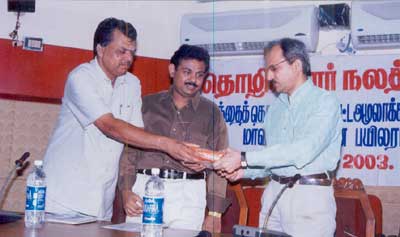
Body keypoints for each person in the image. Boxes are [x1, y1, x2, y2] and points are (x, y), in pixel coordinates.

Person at [43, 18, 201, 220]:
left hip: (101, 203)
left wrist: (182, 154)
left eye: (132, 53)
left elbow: (135, 138)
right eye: (121, 51)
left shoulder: (132, 83)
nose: (128, 58)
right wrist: (168, 145)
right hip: (63, 200)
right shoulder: (81, 77)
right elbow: (110, 126)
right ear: (100, 50)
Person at [214, 38, 342, 237]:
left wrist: (244, 158)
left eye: (274, 68)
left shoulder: (325, 102)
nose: (268, 76)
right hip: (274, 194)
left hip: (309, 198)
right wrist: (244, 171)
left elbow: (303, 150)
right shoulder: (275, 109)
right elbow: (273, 160)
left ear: (297, 65)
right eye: (266, 69)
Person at [117, 44, 230, 232]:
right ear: (172, 70)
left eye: (200, 75)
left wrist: (214, 213)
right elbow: (129, 153)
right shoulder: (146, 105)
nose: (193, 80)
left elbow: (219, 165)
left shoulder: (212, 113)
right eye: (187, 72)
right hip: (145, 191)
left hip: (189, 195)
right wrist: (127, 191)